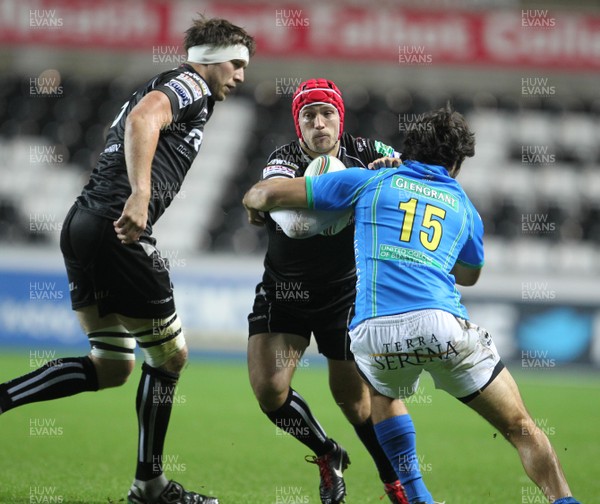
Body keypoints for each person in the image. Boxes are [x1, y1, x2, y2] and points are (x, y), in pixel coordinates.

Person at [242, 105, 581, 504]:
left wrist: (254, 206)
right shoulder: (464, 206)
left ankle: (416, 496)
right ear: (455, 162)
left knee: (383, 393)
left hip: (375, 331)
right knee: (521, 426)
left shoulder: (368, 180)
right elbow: (469, 274)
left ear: (408, 150)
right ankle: (564, 500)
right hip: (442, 323)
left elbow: (264, 194)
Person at [0, 16, 255, 504]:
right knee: (171, 355)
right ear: (208, 59)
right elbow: (144, 120)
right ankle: (150, 486)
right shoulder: (190, 84)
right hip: (119, 229)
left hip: (83, 223)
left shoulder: (172, 84)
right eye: (236, 63)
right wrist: (140, 195)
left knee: (113, 364)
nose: (241, 75)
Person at [246, 78, 432, 504]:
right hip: (283, 292)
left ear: (339, 118)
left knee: (356, 404)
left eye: (326, 113)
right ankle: (327, 453)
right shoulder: (283, 158)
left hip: (344, 297)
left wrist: (394, 171)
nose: (318, 123)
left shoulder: (368, 150)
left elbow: (414, 169)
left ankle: (394, 483)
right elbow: (281, 209)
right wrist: (357, 184)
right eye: (308, 116)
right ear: (298, 125)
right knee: (269, 393)